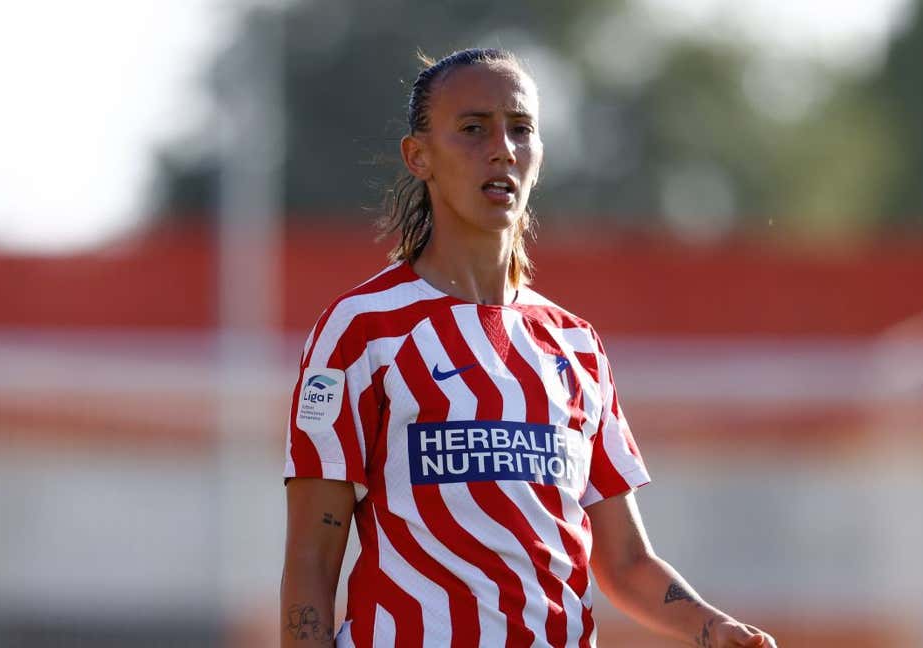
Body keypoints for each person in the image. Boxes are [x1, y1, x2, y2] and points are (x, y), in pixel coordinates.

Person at [281, 48, 778, 648]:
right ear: (419, 156)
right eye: (473, 129)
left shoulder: (575, 344)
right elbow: (311, 561)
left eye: (521, 129)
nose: (502, 149)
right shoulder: (362, 330)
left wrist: (711, 626)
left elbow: (624, 563)